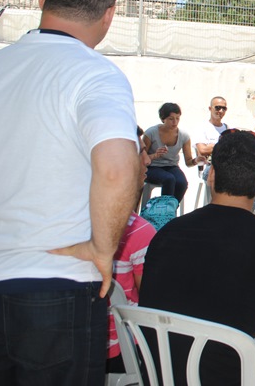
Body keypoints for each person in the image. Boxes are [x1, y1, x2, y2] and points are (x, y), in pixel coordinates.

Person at [0, 0, 140, 385]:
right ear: (109, 13)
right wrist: (102, 249)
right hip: (56, 287)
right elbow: (116, 169)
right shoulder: (97, 75)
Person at [140, 130, 255, 385]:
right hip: (233, 378)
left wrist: (254, 325)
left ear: (211, 175)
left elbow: (185, 311)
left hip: (161, 376)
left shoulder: (166, 234)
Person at [106, 127, 156, 374]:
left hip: (84, 345)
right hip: (127, 349)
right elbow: (150, 299)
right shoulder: (139, 232)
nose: (147, 160)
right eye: (140, 152)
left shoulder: (76, 221)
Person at [143, 102, 205, 203]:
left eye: (177, 118)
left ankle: (171, 208)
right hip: (152, 167)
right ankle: (163, 210)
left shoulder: (183, 136)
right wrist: (155, 155)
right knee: (169, 179)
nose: (175, 122)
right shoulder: (151, 133)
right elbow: (140, 158)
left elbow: (188, 162)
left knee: (182, 183)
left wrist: (195, 161)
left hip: (171, 166)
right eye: (171, 119)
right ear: (163, 119)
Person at [194, 96, 230, 184]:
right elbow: (202, 150)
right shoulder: (202, 128)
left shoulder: (227, 129)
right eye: (217, 107)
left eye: (224, 108)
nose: (221, 111)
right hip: (210, 167)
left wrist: (211, 146)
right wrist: (224, 145)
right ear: (210, 108)